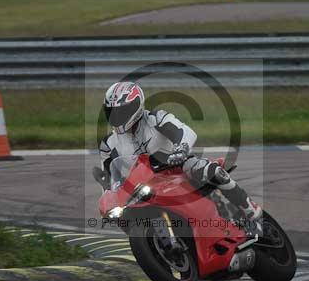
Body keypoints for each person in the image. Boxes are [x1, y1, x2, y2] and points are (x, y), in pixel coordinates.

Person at [99, 81, 262, 221]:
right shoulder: (108, 144)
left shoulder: (156, 118)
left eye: (122, 111)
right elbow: (109, 179)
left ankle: (250, 209)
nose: (118, 116)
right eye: (112, 112)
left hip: (176, 167)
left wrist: (181, 149)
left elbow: (184, 132)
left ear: (136, 106)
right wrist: (109, 199)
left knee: (212, 171)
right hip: (143, 185)